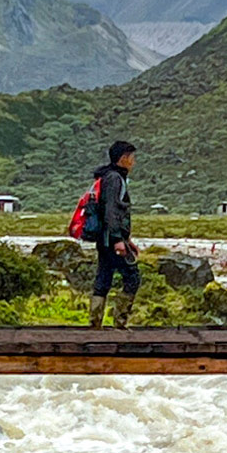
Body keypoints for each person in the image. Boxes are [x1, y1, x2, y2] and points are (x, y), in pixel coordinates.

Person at [88, 139, 139, 328]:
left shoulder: (108, 176)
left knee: (104, 277)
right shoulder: (115, 179)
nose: (133, 162)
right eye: (132, 157)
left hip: (105, 238)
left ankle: (95, 324)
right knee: (132, 277)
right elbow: (112, 211)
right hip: (111, 239)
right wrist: (119, 240)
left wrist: (127, 239)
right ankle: (120, 323)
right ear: (123, 158)